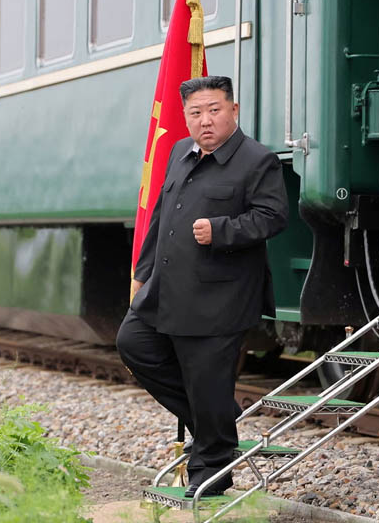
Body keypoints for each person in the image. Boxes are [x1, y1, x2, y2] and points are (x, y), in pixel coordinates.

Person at [117, 75, 289, 497]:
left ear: (234, 110)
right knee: (134, 344)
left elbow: (273, 217)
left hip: (220, 296)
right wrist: (141, 275)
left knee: (206, 378)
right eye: (195, 113)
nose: (205, 120)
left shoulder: (257, 160)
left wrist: (221, 229)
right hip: (166, 288)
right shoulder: (180, 152)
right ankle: (218, 418)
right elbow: (160, 217)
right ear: (186, 117)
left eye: (214, 110)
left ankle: (210, 478)